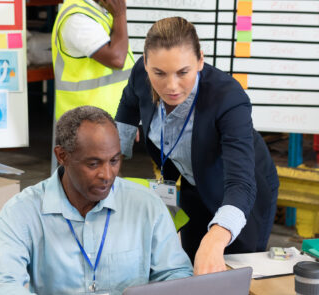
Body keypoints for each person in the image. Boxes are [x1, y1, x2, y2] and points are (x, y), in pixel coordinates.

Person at [0, 106, 192, 295]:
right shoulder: (23, 211)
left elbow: (176, 274)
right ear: (62, 156)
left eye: (114, 161)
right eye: (93, 164)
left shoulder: (146, 205)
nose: (107, 175)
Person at [116, 17, 279, 275]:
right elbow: (128, 104)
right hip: (193, 181)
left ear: (200, 60)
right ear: (146, 63)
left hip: (240, 188)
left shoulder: (229, 99)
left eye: (183, 72)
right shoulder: (141, 73)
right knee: (192, 264)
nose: (171, 86)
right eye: (159, 73)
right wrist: (113, 160)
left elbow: (241, 184)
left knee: (236, 270)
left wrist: (218, 235)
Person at [51, 0, 135, 121]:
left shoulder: (100, 11)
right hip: (85, 126)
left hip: (109, 119)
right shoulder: (77, 20)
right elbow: (117, 59)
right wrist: (120, 14)